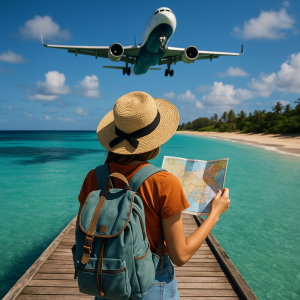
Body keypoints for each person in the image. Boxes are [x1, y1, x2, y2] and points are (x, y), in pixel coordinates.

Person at [77, 91, 230, 300]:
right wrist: (214, 214)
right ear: (155, 138)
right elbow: (180, 256)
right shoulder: (164, 182)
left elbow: (85, 232)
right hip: (151, 283)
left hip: (105, 281)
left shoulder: (93, 177)